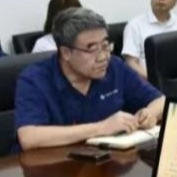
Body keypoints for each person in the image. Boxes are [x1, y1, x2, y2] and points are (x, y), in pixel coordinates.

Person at [15, 8, 164, 150]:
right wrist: (101, 128)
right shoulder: (35, 79)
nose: (103, 57)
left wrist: (150, 113)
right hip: (52, 164)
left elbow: (161, 101)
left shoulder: (115, 67)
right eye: (92, 49)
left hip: (107, 160)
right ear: (66, 53)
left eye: (105, 46)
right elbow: (29, 137)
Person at [122, 0, 177, 79]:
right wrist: (155, 80)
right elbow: (130, 63)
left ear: (176, 1)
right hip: (146, 81)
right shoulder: (135, 25)